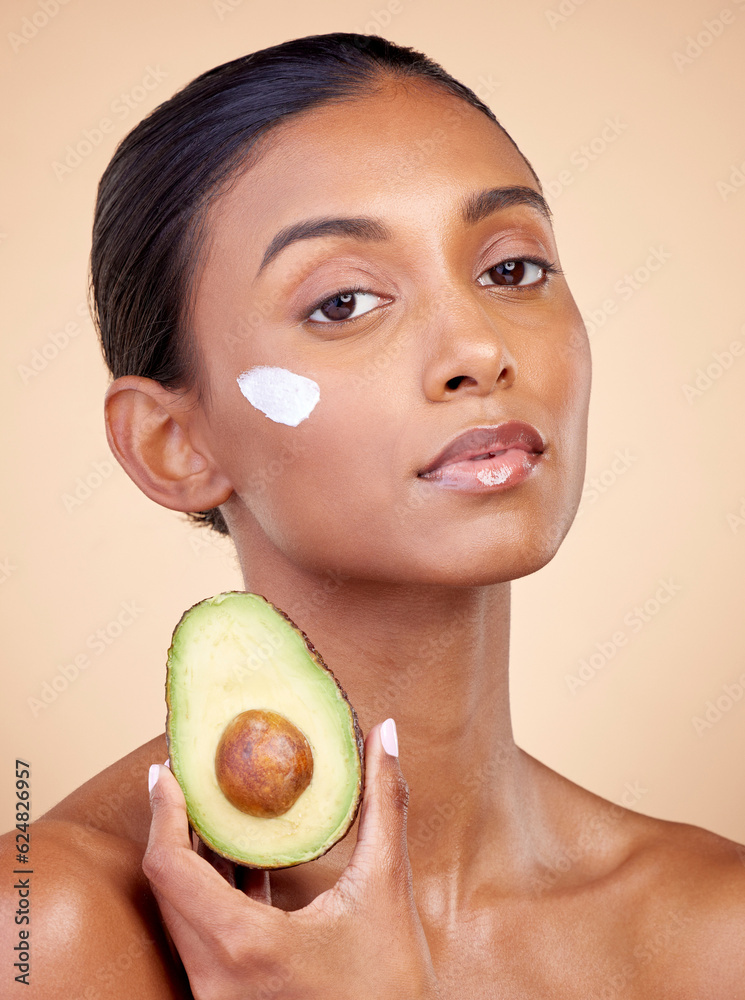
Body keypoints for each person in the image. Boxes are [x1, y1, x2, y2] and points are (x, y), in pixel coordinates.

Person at [2, 30, 743, 999]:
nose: (476, 346)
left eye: (511, 269)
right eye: (344, 299)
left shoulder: (713, 932)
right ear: (172, 444)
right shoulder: (47, 926)